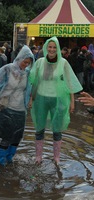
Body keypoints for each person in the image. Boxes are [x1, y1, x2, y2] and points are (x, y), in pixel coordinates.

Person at [29, 36, 83, 165]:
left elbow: (69, 83)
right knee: (39, 128)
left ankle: (56, 157)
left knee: (57, 129)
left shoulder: (63, 63)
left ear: (57, 49)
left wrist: (72, 101)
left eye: (54, 47)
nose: (52, 49)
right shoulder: (40, 62)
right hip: (41, 98)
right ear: (46, 47)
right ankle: (38, 156)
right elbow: (35, 82)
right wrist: (31, 98)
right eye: (50, 46)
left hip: (58, 100)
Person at [0, 45, 34, 167]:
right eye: (24, 62)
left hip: (20, 110)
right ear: (19, 58)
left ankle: (10, 158)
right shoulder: (8, 69)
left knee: (17, 137)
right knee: (6, 137)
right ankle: (1, 161)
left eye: (28, 63)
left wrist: (31, 99)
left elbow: (30, 88)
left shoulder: (27, 73)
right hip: (7, 109)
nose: (25, 65)